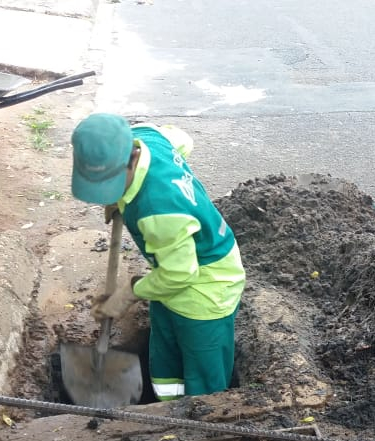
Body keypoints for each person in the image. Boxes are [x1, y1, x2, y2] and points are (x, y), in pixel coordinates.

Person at [70, 113, 245, 400]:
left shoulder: (160, 210)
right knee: (165, 357)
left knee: (204, 372)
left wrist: (130, 293)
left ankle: (202, 426)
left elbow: (180, 274)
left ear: (131, 158)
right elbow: (182, 141)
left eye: (110, 183)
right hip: (172, 276)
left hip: (207, 288)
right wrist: (119, 198)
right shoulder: (147, 136)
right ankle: (167, 412)